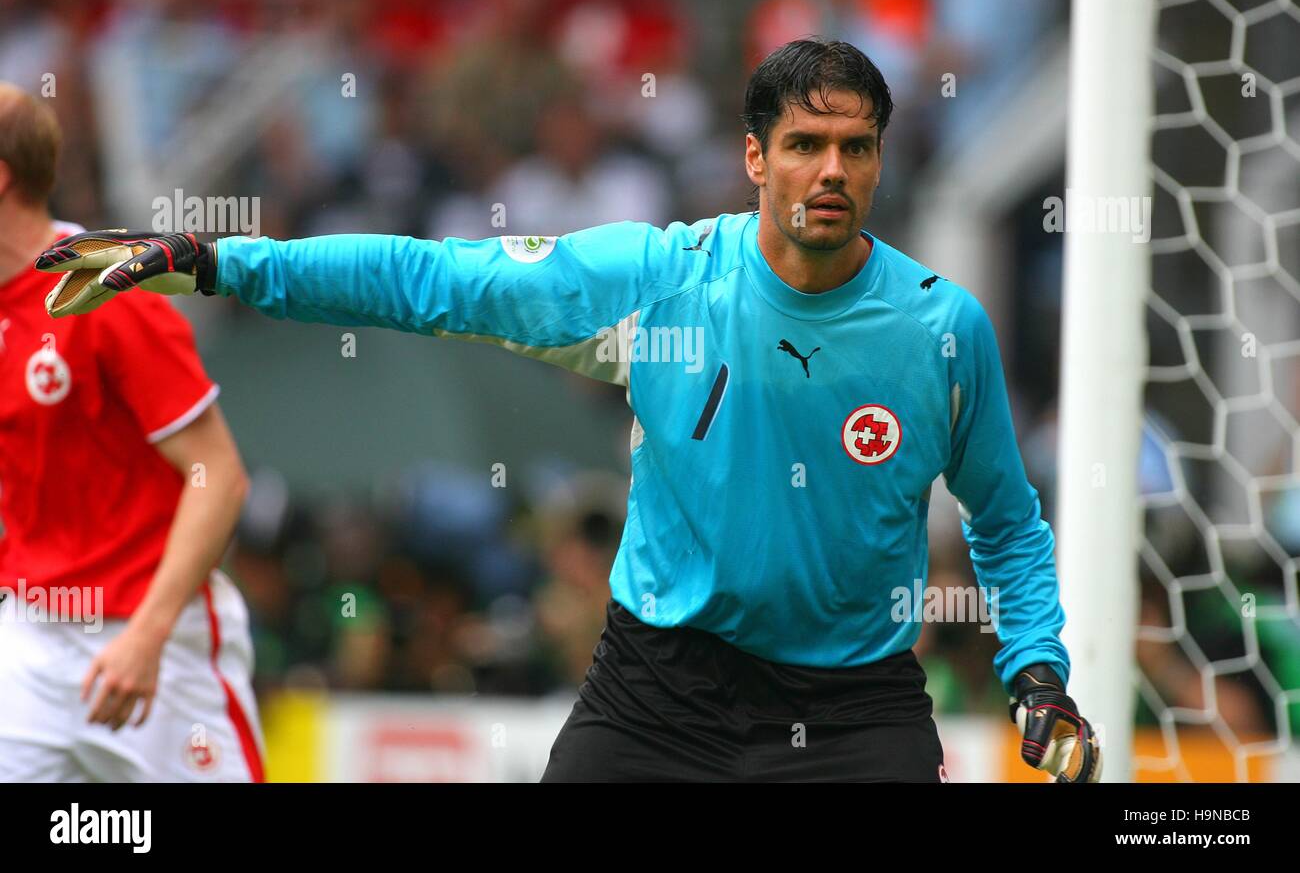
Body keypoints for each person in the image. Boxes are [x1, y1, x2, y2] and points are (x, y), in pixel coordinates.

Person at [35, 39, 1099, 783]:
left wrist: (1036, 673)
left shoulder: (939, 326)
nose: (830, 170)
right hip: (658, 692)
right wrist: (212, 258)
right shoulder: (657, 276)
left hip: (855, 708)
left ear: (877, 161)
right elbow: (432, 279)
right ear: (752, 158)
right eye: (805, 144)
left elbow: (1004, 522)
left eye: (855, 147)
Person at [0, 83, 263, 781]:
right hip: (26, 638)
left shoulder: (101, 288)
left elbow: (220, 478)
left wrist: (146, 636)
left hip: (155, 638)